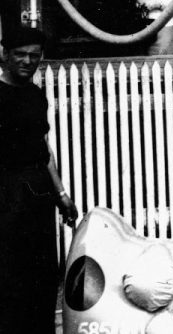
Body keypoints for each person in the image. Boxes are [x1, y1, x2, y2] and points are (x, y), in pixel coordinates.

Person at [0, 27, 79, 334]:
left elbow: (44, 148)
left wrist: (61, 193)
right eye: (20, 54)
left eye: (35, 56)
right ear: (5, 55)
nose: (27, 61)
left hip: (36, 192)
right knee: (8, 273)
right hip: (4, 190)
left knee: (42, 273)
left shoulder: (35, 95)